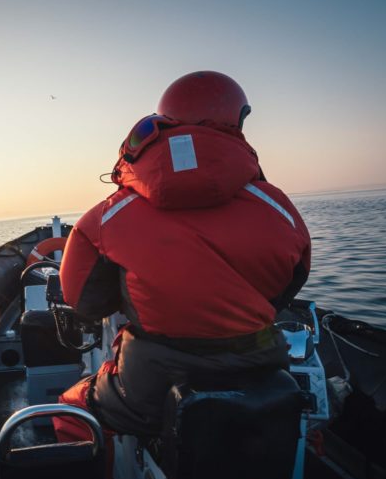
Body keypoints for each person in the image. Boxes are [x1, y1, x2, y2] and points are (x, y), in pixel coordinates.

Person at [53, 71, 311, 459]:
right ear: (233, 123)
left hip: (148, 391)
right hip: (261, 371)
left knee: (72, 409)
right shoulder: (279, 209)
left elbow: (86, 303)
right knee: (303, 416)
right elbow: (287, 287)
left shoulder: (108, 218)